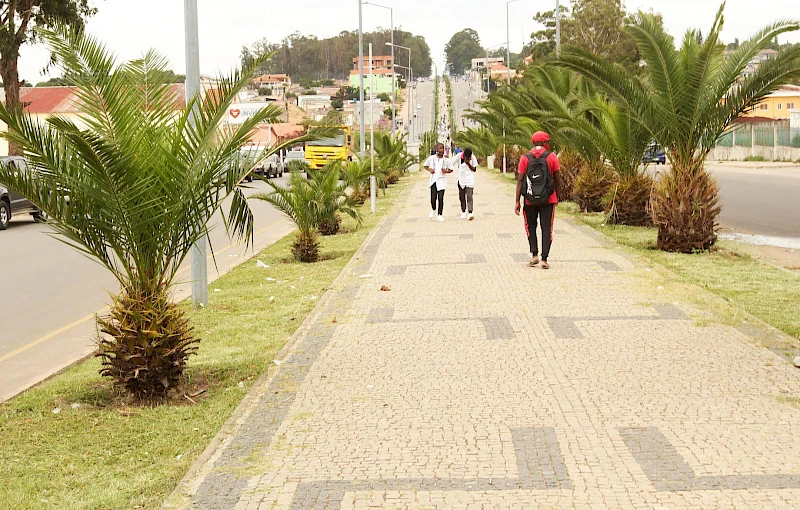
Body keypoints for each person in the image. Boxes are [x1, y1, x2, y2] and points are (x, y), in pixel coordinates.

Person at [514, 131, 561, 269]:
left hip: (529, 199)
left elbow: (520, 180)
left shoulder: (525, 158)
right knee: (547, 228)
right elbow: (557, 179)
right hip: (548, 199)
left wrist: (517, 200)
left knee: (531, 226)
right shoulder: (552, 157)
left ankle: (534, 255)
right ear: (545, 143)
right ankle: (544, 259)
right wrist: (557, 196)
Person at [424, 143, 454, 221]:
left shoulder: (446, 160)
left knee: (440, 198)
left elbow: (451, 169)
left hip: (442, 181)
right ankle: (433, 209)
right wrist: (430, 170)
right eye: (440, 148)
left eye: (443, 148)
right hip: (433, 181)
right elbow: (425, 165)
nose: (442, 150)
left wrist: (446, 171)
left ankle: (440, 215)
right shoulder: (432, 158)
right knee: (433, 199)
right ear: (437, 149)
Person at [456, 147, 478, 220]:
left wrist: (468, 164)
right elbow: (451, 162)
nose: (468, 158)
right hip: (461, 179)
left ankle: (470, 212)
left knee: (469, 196)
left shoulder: (473, 158)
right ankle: (463, 211)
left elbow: (474, 169)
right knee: (462, 196)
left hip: (469, 180)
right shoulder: (459, 156)